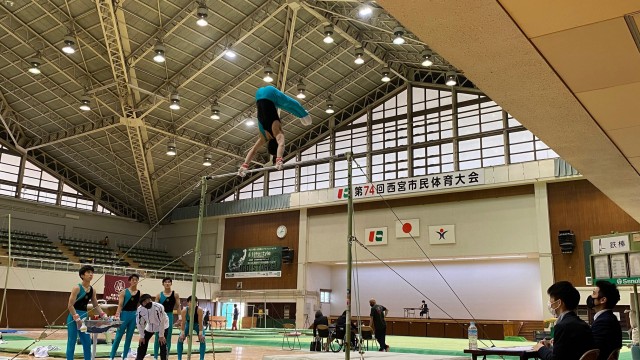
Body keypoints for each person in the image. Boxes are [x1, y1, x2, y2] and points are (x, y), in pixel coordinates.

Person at [238, 85, 311, 175]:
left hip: (270, 92)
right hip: (258, 95)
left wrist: (279, 159)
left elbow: (281, 144)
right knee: (281, 105)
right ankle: (302, 116)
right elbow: (253, 151)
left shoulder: (278, 133)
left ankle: (304, 114)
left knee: (290, 103)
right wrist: (245, 165)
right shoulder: (263, 137)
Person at [533, 281, 596, 360]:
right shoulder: (583, 324)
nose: (549, 303)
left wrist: (541, 348)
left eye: (551, 299)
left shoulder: (562, 326)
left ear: (559, 303)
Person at [66, 265, 108, 360]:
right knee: (72, 341)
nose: (91, 274)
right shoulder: (77, 288)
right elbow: (70, 305)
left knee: (87, 342)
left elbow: (95, 305)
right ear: (82, 275)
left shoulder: (92, 290)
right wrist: (76, 316)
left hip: (84, 316)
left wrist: (103, 314)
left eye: (92, 273)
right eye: (88, 272)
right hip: (73, 316)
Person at [110, 274, 140, 360]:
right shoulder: (123, 292)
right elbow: (120, 305)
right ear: (130, 281)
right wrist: (117, 315)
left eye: (136, 280)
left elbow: (139, 306)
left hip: (133, 315)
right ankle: (111, 356)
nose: (134, 281)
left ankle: (125, 356)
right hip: (124, 315)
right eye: (133, 280)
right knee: (118, 336)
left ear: (138, 281)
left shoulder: (139, 293)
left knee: (129, 337)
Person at [589, 280, 622, 360]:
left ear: (603, 300)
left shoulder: (603, 322)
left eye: (594, 293)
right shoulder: (609, 318)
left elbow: (592, 350)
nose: (591, 296)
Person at [153, 277, 181, 360]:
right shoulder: (159, 295)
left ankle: (166, 356)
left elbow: (178, 306)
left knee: (168, 337)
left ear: (171, 284)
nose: (167, 283)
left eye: (169, 282)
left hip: (170, 316)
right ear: (163, 284)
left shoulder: (175, 295)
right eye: (166, 282)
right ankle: (155, 356)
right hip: (160, 316)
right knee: (157, 336)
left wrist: (180, 318)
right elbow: (155, 308)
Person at [135, 294, 169, 360]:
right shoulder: (140, 310)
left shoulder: (159, 307)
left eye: (149, 300)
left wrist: (161, 335)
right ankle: (139, 358)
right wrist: (142, 336)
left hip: (163, 324)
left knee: (162, 343)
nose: (148, 302)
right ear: (142, 304)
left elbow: (161, 321)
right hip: (150, 325)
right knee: (142, 342)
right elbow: (139, 323)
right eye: (145, 302)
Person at [177, 296, 206, 360]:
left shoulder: (199, 310)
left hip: (197, 324)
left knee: (202, 340)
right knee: (180, 339)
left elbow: (201, 323)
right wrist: (182, 333)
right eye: (191, 302)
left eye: (195, 302)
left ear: (196, 303)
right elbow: (183, 323)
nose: (193, 304)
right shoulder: (184, 310)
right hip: (188, 324)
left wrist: (201, 334)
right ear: (188, 303)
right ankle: (179, 358)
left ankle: (202, 358)